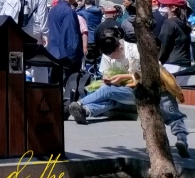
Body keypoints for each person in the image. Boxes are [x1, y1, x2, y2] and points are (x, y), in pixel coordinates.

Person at [68, 26, 189, 158]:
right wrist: (109, 78)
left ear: (120, 47)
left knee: (173, 115)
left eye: (113, 55)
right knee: (111, 95)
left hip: (157, 89)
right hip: (130, 90)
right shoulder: (108, 52)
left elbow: (147, 74)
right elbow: (107, 72)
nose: (111, 58)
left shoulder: (135, 51)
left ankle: (181, 140)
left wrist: (121, 77)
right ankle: (85, 110)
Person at [0, 0, 49, 80]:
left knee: (15, 60)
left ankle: (17, 87)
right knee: (38, 63)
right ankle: (40, 91)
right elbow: (42, 13)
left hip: (12, 29)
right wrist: (45, 33)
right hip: (33, 29)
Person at [46, 0, 84, 82]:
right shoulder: (69, 12)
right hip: (65, 55)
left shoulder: (52, 10)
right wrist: (74, 57)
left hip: (53, 53)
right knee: (69, 87)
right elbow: (71, 35)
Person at [158, 0, 192, 71]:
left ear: (173, 8)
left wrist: (158, 61)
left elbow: (164, 45)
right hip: (185, 64)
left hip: (171, 65)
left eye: (165, 5)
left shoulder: (169, 23)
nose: (162, 8)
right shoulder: (184, 24)